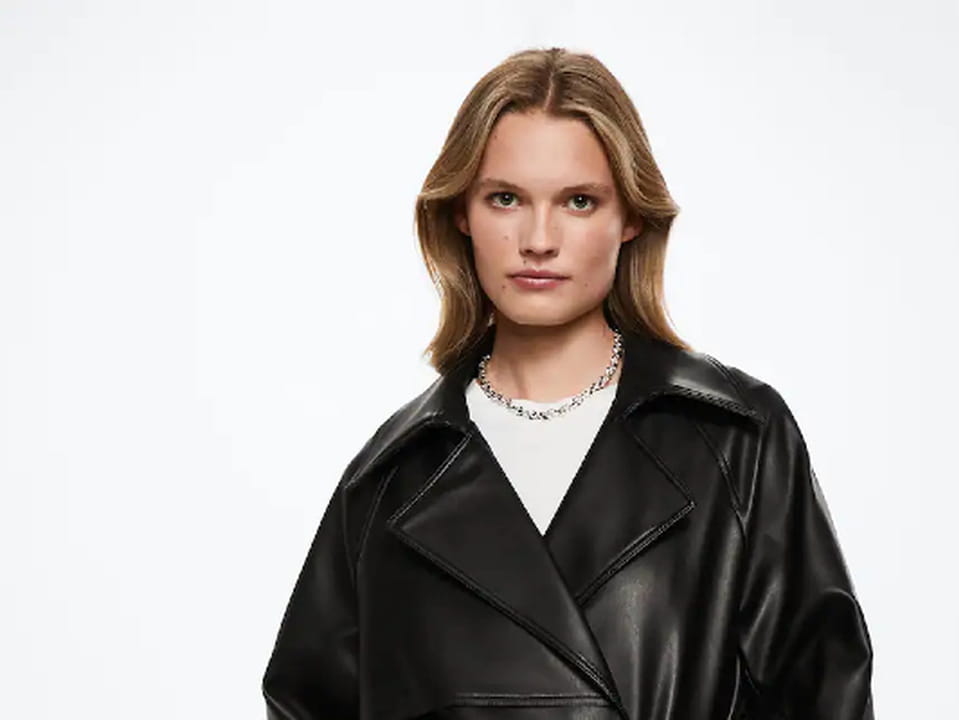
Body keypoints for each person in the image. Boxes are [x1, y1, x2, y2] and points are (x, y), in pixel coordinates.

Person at [262, 46, 875, 720]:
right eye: (505, 199)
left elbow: (824, 696)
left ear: (630, 216)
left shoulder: (736, 441)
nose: (539, 239)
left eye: (579, 201)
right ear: (462, 212)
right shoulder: (389, 480)